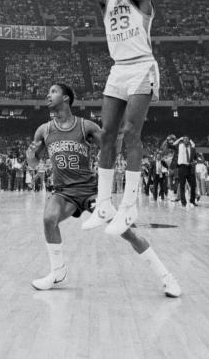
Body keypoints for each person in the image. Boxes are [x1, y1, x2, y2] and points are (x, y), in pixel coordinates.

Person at [45, 0, 159, 235]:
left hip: (141, 68)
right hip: (118, 69)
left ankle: (130, 205)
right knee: (108, 135)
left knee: (130, 134)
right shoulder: (106, 1)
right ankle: (105, 203)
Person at [26, 83, 180, 297]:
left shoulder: (85, 126)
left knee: (128, 233)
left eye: (53, 91)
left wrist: (117, 134)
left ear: (66, 98)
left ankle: (166, 277)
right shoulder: (44, 130)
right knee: (48, 219)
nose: (47, 95)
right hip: (63, 192)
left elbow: (111, 150)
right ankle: (57, 272)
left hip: (90, 190)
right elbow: (33, 164)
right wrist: (30, 155)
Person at [175, 136, 198, 208]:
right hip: (182, 168)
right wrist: (179, 139)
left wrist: (195, 162)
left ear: (189, 141)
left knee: (193, 185)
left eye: (187, 139)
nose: (185, 140)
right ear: (182, 141)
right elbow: (173, 144)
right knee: (182, 185)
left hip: (190, 168)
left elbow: (195, 158)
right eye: (184, 139)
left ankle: (192, 201)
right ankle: (183, 202)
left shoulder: (192, 148)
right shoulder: (179, 147)